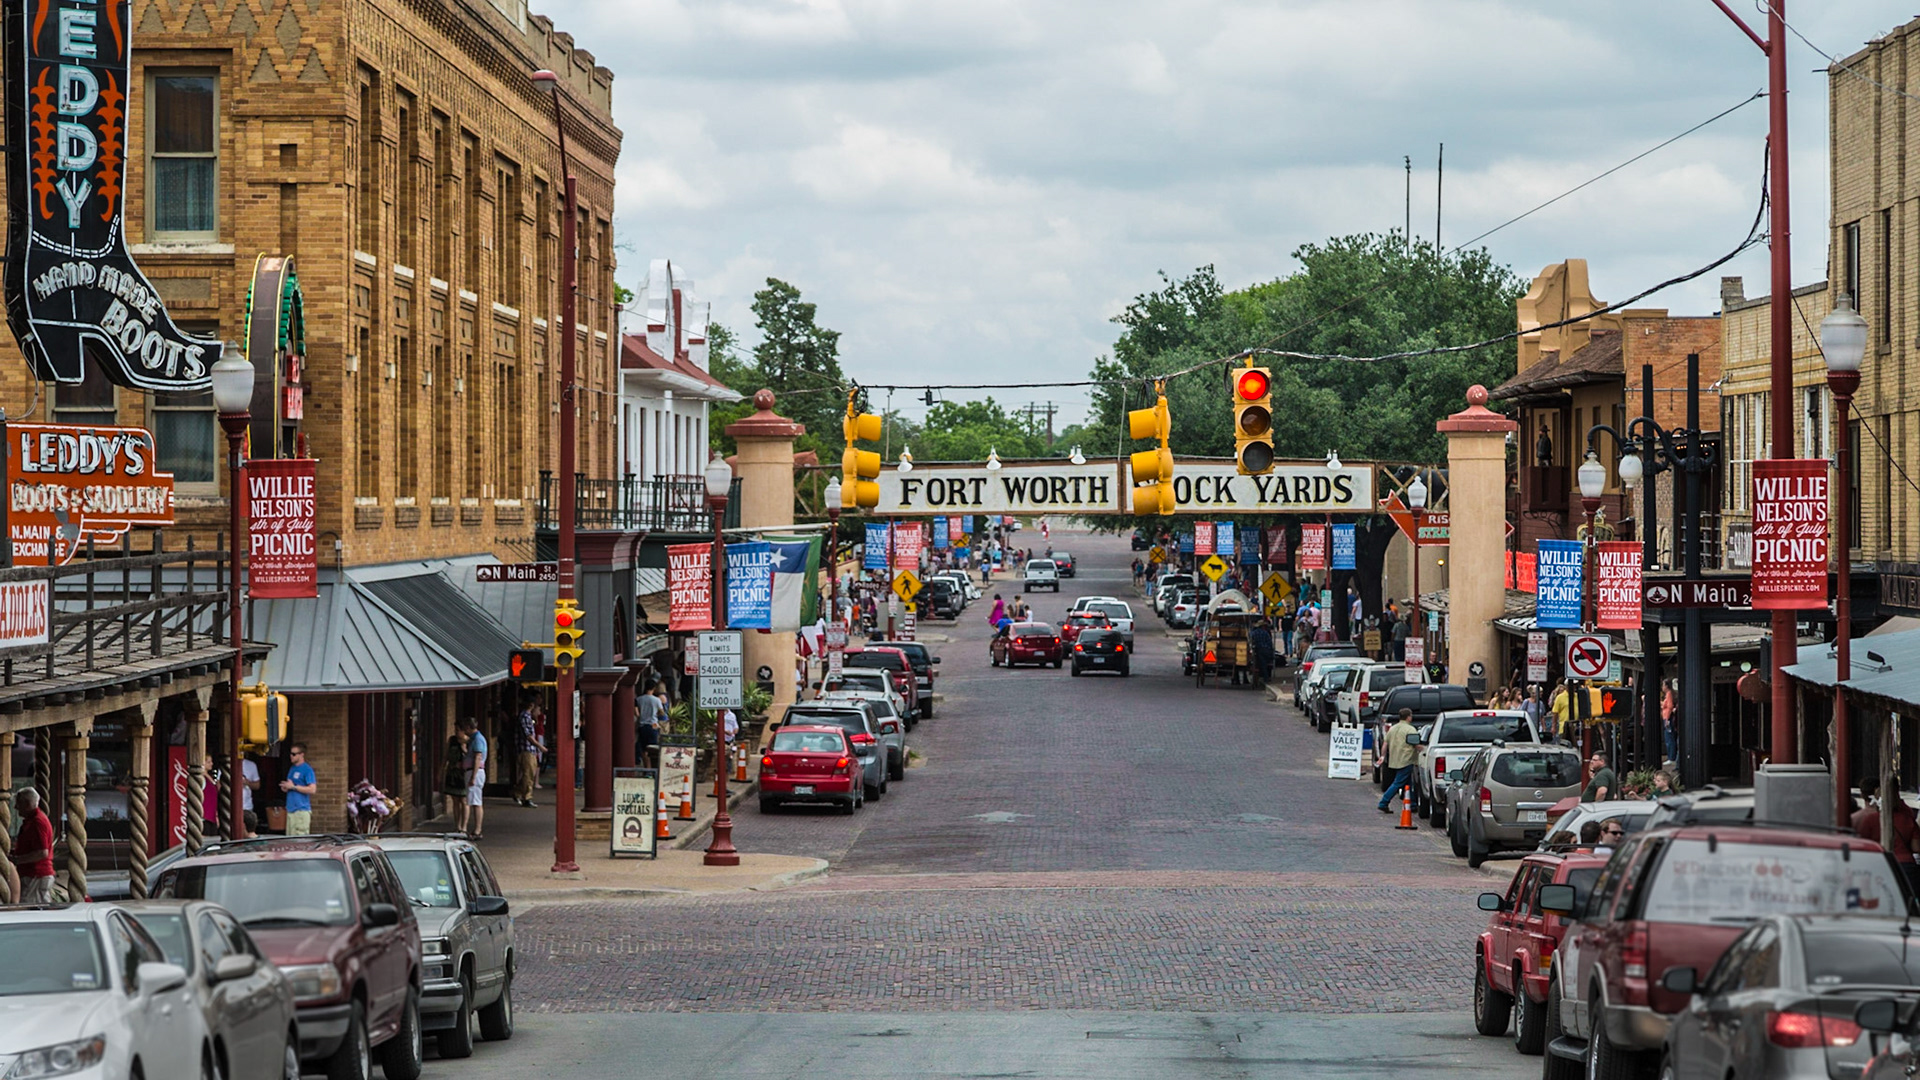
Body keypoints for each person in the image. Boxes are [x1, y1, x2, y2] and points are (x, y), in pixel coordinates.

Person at [11, 788, 55, 904]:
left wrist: (17, 860)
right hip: (32, 875)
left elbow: (42, 852)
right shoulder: (31, 821)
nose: (15, 807)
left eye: (18, 803)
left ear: (27, 804)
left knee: (32, 911)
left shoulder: (38, 822)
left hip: (36, 875)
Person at [1376, 708, 1421, 813]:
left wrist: (1382, 756)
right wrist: (1423, 749)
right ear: (1408, 717)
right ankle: (1383, 802)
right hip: (1406, 760)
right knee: (1398, 783)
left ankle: (1412, 804)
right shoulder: (1410, 729)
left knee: (1408, 783)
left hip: (1395, 760)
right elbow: (1415, 744)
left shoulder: (1392, 729)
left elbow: (1385, 744)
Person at [459, 717, 488, 839]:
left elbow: (477, 757)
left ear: (469, 727)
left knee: (476, 802)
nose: (464, 730)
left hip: (475, 772)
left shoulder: (477, 739)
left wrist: (473, 777)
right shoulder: (473, 739)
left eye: (466, 728)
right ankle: (476, 829)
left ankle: (477, 830)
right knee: (474, 800)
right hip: (472, 771)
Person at [279, 743, 317, 835]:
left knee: (300, 840)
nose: (291, 756)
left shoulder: (307, 770)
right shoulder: (292, 768)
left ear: (301, 754)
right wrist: (286, 787)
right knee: (289, 839)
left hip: (301, 810)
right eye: (290, 754)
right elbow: (291, 785)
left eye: (294, 754)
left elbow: (312, 789)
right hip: (290, 809)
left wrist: (293, 787)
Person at [518, 697, 545, 808]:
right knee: (528, 775)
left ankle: (516, 792)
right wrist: (540, 746)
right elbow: (528, 735)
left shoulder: (529, 717)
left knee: (529, 774)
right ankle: (527, 798)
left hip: (530, 749)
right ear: (531, 705)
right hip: (526, 749)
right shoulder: (525, 717)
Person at [635, 684, 663, 775]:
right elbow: (662, 712)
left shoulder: (639, 699)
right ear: (653, 689)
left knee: (643, 748)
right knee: (653, 748)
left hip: (643, 725)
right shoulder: (656, 700)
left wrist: (641, 716)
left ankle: (646, 768)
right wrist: (656, 715)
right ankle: (652, 769)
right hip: (653, 725)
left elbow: (636, 712)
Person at [441, 732, 468, 819]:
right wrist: (441, 770)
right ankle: (457, 825)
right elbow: (446, 756)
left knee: (464, 800)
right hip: (452, 772)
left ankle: (463, 826)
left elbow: (473, 757)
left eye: (459, 730)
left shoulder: (469, 740)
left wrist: (464, 749)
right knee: (455, 799)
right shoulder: (452, 740)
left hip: (463, 773)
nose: (457, 732)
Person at [240, 752, 260, 837]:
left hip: (247, 806)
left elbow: (257, 785)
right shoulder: (227, 763)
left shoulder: (251, 765)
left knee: (247, 832)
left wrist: (247, 782)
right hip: (229, 806)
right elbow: (218, 785)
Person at [1249, 620, 1275, 686]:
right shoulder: (1265, 633)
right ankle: (1266, 677)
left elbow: (1251, 641)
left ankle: (1265, 677)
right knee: (1266, 664)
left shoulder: (1253, 633)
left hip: (1259, 650)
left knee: (1262, 665)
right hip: (1267, 650)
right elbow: (1269, 643)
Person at [1660, 679, 1678, 765]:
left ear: (1667, 686)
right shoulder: (1667, 694)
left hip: (1667, 717)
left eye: (1663, 685)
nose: (1662, 687)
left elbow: (1670, 706)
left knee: (1669, 738)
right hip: (1666, 717)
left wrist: (1667, 718)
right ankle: (1671, 756)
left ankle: (1671, 757)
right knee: (1668, 737)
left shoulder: (1669, 694)